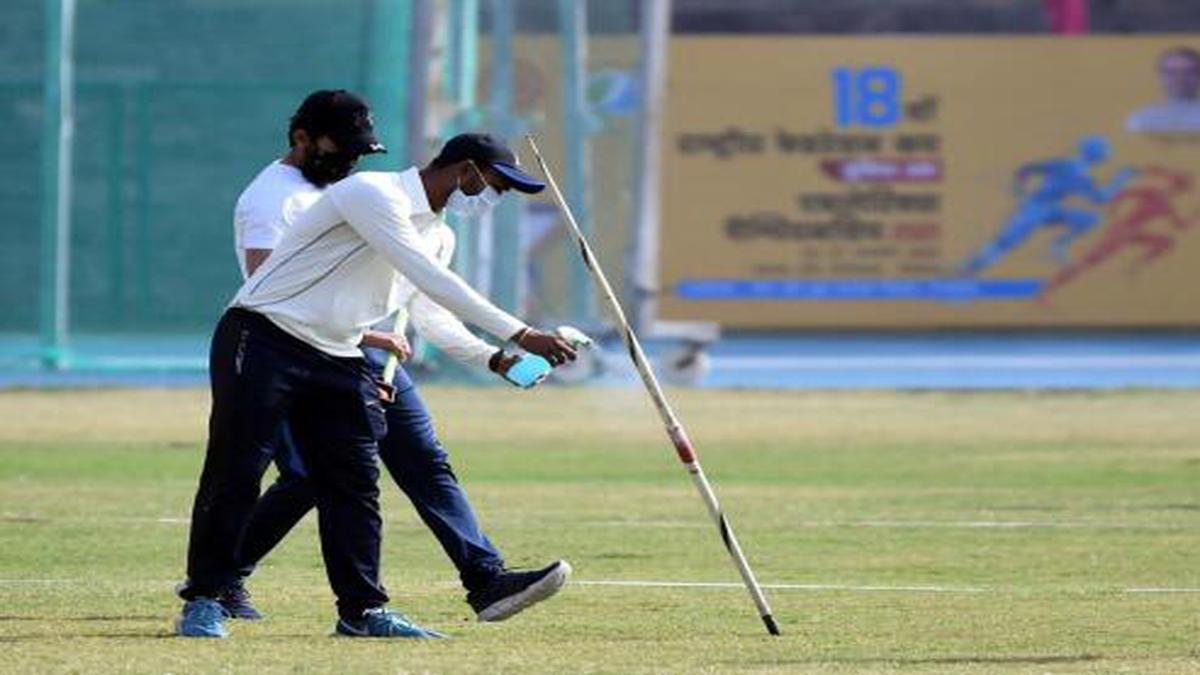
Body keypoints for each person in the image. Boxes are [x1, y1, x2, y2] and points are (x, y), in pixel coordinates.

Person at [175, 128, 577, 639]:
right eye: (495, 185)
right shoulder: (372, 193)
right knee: (237, 469)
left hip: (338, 350)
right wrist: (522, 331)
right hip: (264, 335)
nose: (493, 198)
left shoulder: (441, 233)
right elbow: (429, 277)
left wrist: (496, 357)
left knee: (353, 482)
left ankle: (361, 612)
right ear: (466, 170)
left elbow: (428, 312)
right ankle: (205, 599)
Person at [958, 136, 1133, 277]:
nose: (1107, 154)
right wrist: (1018, 189)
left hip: (1053, 208)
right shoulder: (1064, 165)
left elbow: (1100, 198)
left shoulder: (1083, 175)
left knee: (1091, 219)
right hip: (1035, 207)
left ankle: (1058, 245)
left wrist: (1120, 180)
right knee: (1006, 242)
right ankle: (971, 268)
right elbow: (1026, 169)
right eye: (1104, 150)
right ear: (1095, 153)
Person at [1126, 47, 1200, 134]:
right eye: (1172, 72)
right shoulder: (1143, 119)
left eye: (1189, 72)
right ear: (1160, 76)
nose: (1180, 79)